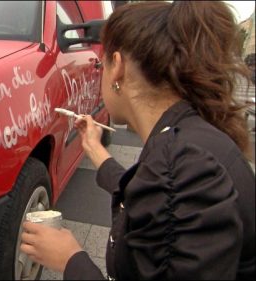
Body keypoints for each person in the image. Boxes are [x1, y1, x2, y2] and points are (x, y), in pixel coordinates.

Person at [20, 1, 255, 280]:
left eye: (103, 63)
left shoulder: (184, 168)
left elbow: (164, 193)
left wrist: (72, 260)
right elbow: (148, 192)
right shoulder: (184, 142)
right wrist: (95, 149)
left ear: (117, 67)